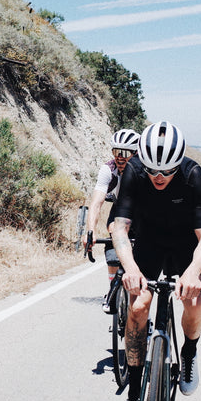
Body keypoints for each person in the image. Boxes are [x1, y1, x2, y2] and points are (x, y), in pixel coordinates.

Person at [110, 121, 201, 401]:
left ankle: (190, 352)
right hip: (149, 241)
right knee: (138, 307)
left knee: (195, 303)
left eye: (167, 172)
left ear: (178, 164)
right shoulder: (134, 170)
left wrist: (194, 272)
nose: (159, 177)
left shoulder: (192, 174)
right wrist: (129, 268)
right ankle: (133, 390)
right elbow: (120, 226)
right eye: (153, 171)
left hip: (186, 245)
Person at [83, 128, 141, 312]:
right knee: (112, 237)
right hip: (119, 210)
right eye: (116, 151)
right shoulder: (108, 170)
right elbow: (96, 203)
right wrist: (90, 232)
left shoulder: (144, 171)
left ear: (136, 153)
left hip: (141, 212)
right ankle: (113, 288)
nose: (119, 157)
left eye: (124, 152)